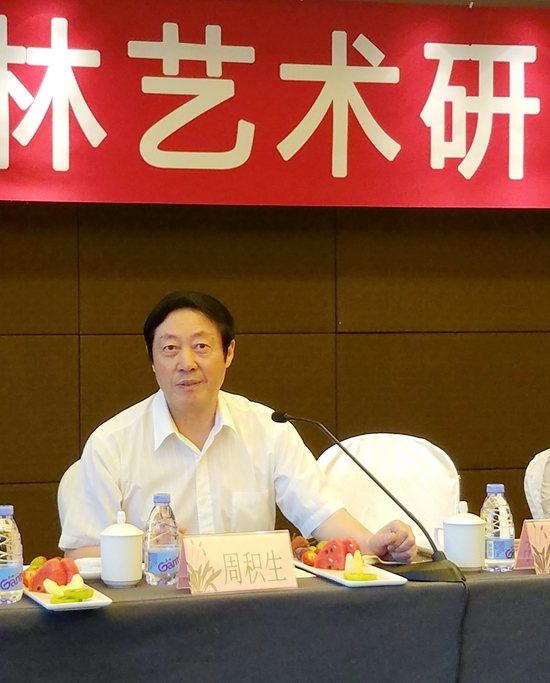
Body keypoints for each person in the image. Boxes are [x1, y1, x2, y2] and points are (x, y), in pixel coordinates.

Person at [60, 291, 416, 562]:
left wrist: (373, 543)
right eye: (169, 349)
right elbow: (79, 553)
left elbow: (321, 513)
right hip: (155, 613)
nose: (186, 363)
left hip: (252, 612)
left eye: (201, 346)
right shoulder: (112, 444)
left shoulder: (268, 428)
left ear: (228, 353)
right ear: (152, 361)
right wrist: (149, 551)